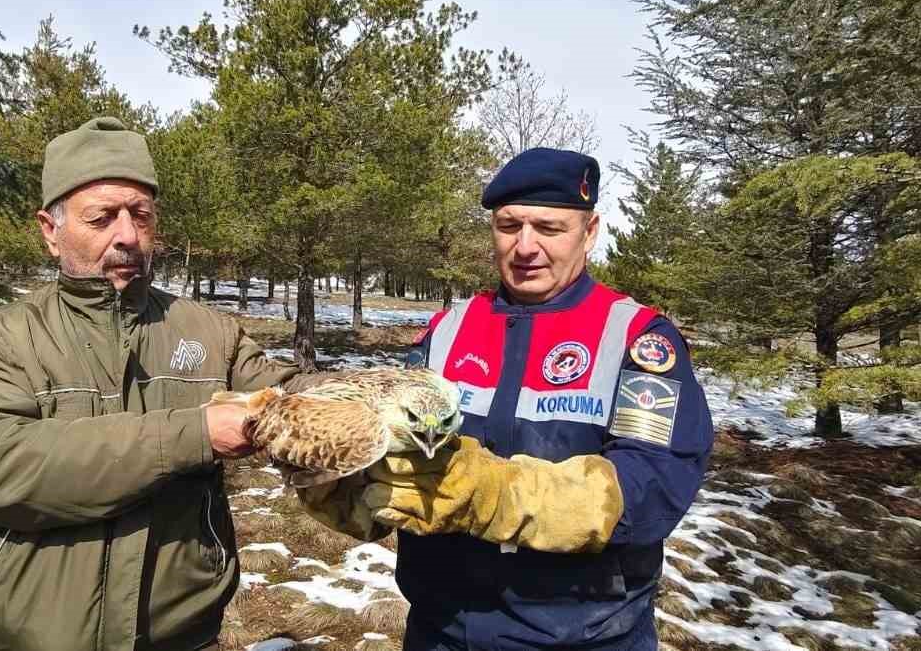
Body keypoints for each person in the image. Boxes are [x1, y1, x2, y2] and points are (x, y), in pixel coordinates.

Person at [301, 147, 715, 650]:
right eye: (508, 225)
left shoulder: (635, 338)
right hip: (442, 629)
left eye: (549, 228)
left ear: (589, 232)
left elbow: (652, 488)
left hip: (582, 635)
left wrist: (498, 496)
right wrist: (349, 490)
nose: (525, 247)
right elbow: (399, 456)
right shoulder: (448, 331)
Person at [0, 117, 315, 651]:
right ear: (50, 232)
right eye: (101, 217)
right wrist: (194, 435)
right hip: (38, 636)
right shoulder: (0, 339)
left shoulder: (209, 332)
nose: (127, 235)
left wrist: (386, 395)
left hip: (184, 632)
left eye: (140, 216)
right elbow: (4, 469)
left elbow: (291, 397)